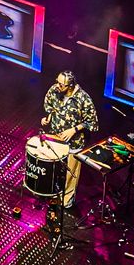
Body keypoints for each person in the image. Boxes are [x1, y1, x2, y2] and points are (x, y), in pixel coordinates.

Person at [40, 70, 99, 209]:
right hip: (55, 138)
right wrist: (47, 118)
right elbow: (49, 106)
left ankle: (66, 200)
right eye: (57, 82)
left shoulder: (83, 99)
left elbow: (93, 124)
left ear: (70, 85)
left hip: (74, 143)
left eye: (62, 85)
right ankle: (51, 192)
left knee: (70, 174)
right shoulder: (55, 90)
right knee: (53, 167)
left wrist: (74, 130)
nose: (58, 86)